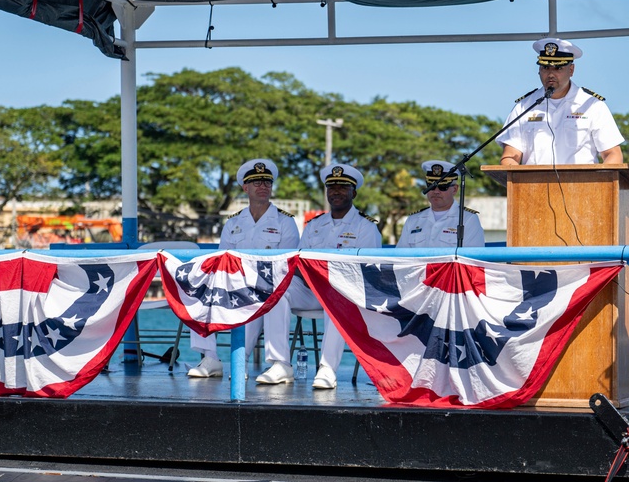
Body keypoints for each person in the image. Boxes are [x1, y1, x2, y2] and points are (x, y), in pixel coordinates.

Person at [256, 163, 382, 389]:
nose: (336, 192)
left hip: (346, 293)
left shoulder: (366, 228)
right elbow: (301, 262)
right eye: (331, 187)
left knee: (337, 295)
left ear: (354, 192)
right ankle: (280, 363)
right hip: (312, 289)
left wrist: (332, 281)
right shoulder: (314, 225)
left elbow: (368, 271)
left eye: (343, 187)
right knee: (276, 290)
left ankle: (326, 369)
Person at [187, 158, 300, 378]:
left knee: (267, 296)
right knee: (199, 292)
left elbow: (287, 264)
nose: (263, 186)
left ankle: (249, 362)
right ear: (245, 188)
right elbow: (222, 259)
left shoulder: (285, 222)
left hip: (269, 282)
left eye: (267, 182)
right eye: (257, 182)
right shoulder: (233, 222)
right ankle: (210, 358)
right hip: (236, 281)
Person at [496, 38, 624, 166]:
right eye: (545, 67)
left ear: (571, 70)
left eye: (558, 68)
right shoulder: (524, 107)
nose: (551, 74)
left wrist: (600, 183)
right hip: (534, 185)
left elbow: (613, 154)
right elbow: (510, 156)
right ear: (539, 70)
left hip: (581, 184)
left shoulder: (592, 106)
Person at [396, 160, 485, 248]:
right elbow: (400, 257)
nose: (436, 191)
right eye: (432, 186)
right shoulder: (413, 220)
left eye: (443, 187)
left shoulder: (467, 219)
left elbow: (474, 260)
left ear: (454, 189)